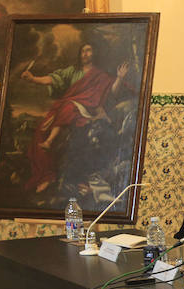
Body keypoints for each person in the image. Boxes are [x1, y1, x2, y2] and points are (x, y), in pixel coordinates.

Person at [21, 42, 128, 193]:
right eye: (83, 51)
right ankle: (45, 175)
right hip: (68, 108)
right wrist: (33, 79)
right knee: (40, 130)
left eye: (89, 50)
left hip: (88, 110)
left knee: (68, 106)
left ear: (94, 53)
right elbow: (53, 79)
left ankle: (50, 141)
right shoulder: (72, 71)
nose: (85, 54)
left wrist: (120, 78)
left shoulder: (101, 75)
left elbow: (112, 92)